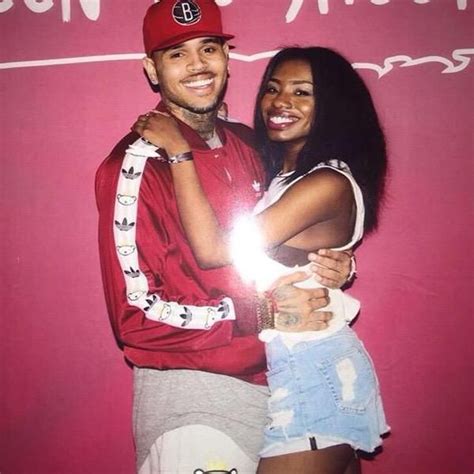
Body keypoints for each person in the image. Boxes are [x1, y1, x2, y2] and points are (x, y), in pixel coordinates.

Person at [95, 1, 353, 473]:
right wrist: (258, 313)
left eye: (208, 48)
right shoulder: (136, 166)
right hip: (197, 396)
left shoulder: (250, 145)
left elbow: (288, 233)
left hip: (285, 382)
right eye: (176, 54)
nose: (198, 65)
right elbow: (135, 315)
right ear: (152, 70)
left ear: (226, 59)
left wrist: (334, 263)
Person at [134, 46, 390, 474]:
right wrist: (337, 270)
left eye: (302, 92)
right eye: (273, 88)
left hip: (316, 376)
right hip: (296, 372)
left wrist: (181, 154)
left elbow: (217, 251)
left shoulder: (326, 181)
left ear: (333, 106)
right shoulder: (288, 179)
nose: (280, 101)